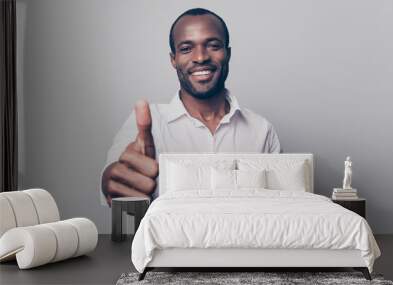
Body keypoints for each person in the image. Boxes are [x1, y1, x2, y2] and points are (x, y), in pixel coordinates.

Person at [101, 8, 281, 206]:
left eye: (213, 46)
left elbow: (280, 206)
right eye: (186, 48)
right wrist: (111, 180)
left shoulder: (262, 130)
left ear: (227, 54)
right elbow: (116, 175)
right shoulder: (147, 123)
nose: (201, 57)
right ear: (173, 59)